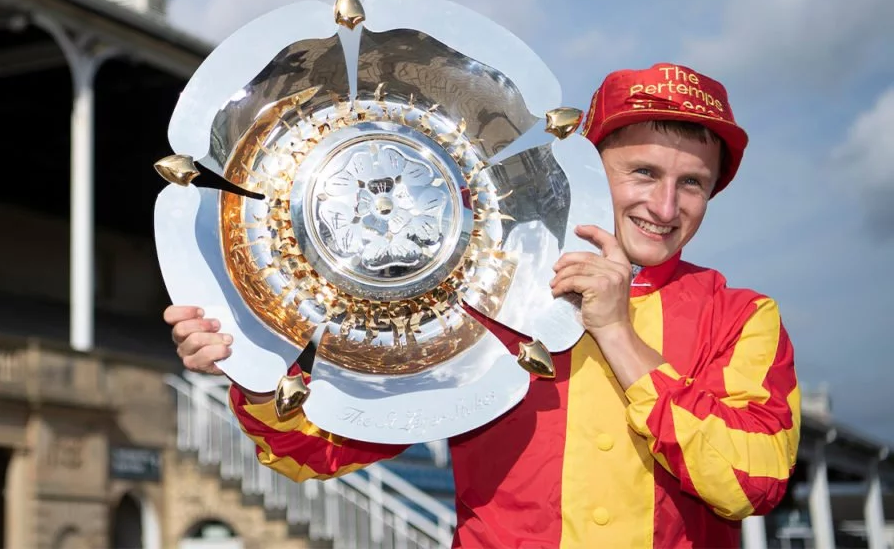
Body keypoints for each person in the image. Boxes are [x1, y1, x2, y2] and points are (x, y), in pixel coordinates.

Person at [164, 62, 800, 549]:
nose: (665, 207)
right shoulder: (487, 290)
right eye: (642, 173)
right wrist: (246, 364)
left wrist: (616, 332)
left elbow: (751, 482)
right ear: (585, 163)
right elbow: (322, 449)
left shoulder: (742, 316)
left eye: (692, 183)